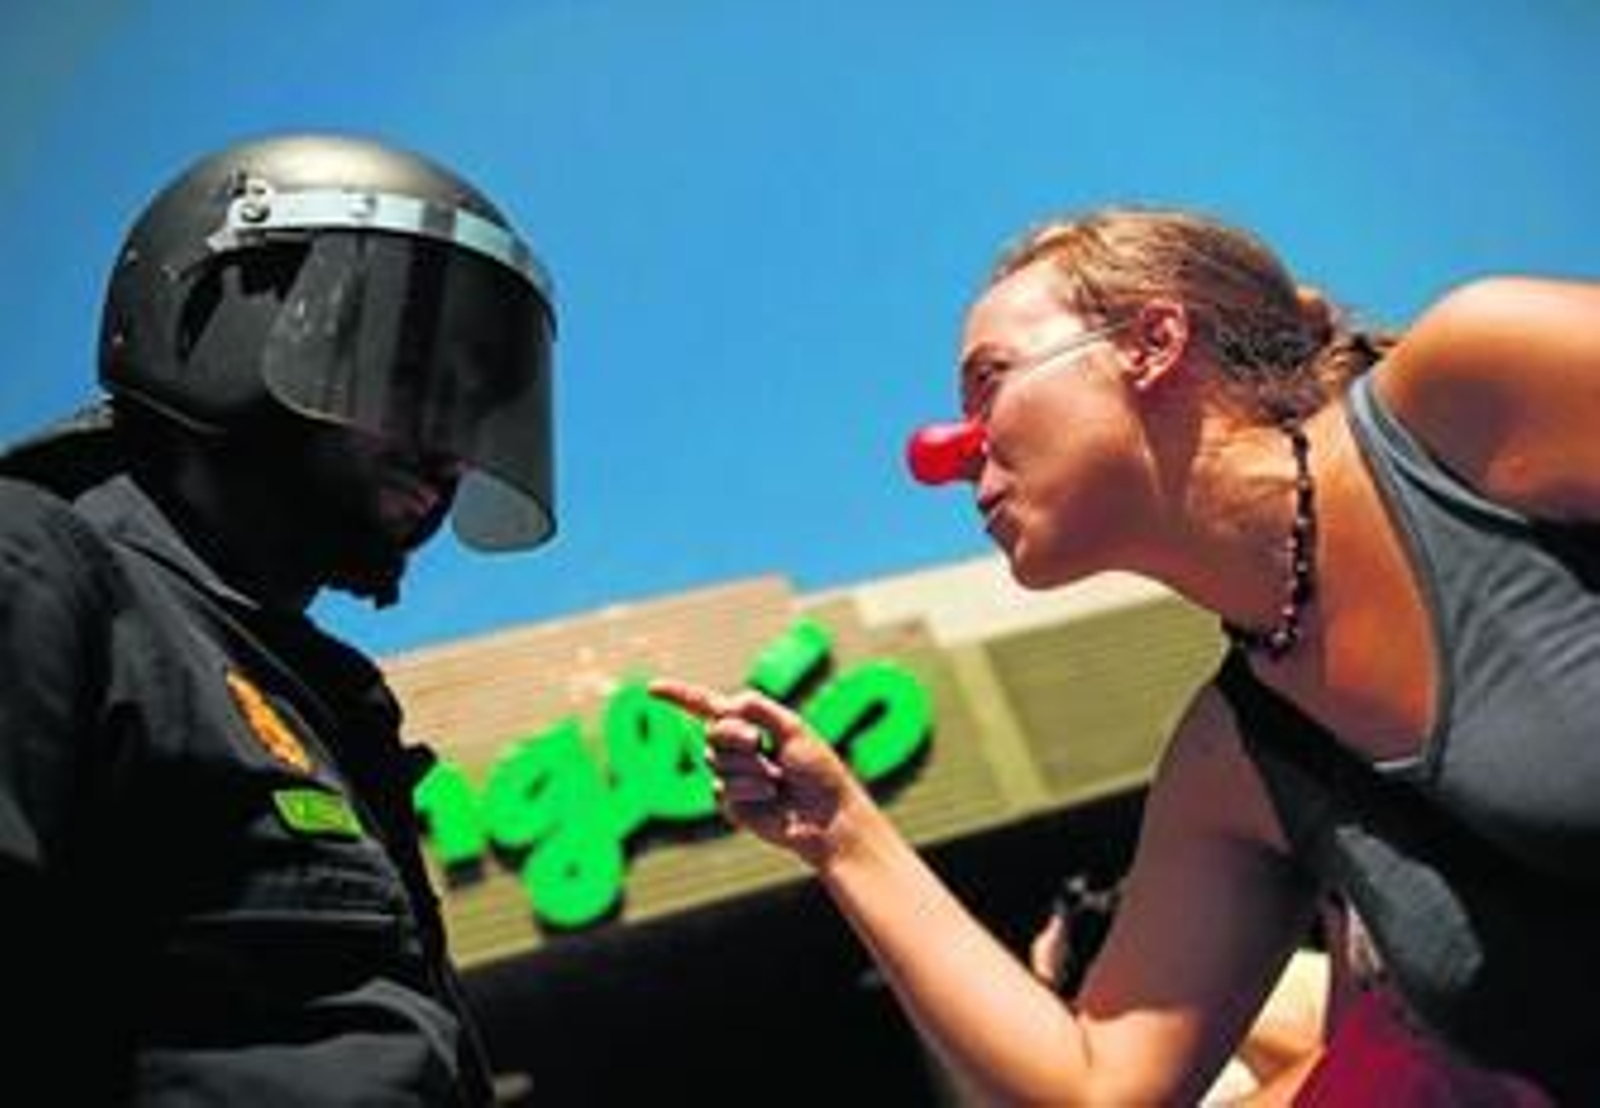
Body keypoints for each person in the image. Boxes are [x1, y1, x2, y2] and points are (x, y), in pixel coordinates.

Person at [651, 207, 1599, 1103]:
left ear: (1153, 344)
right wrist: (843, 835)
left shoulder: (1477, 391)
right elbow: (1100, 1085)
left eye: (991, 380)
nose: (947, 452)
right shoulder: (1232, 764)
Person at [0, 132, 558, 1104]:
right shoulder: (39, 571)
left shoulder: (314, 706)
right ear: (227, 319)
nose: (451, 447)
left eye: (474, 409)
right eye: (410, 371)